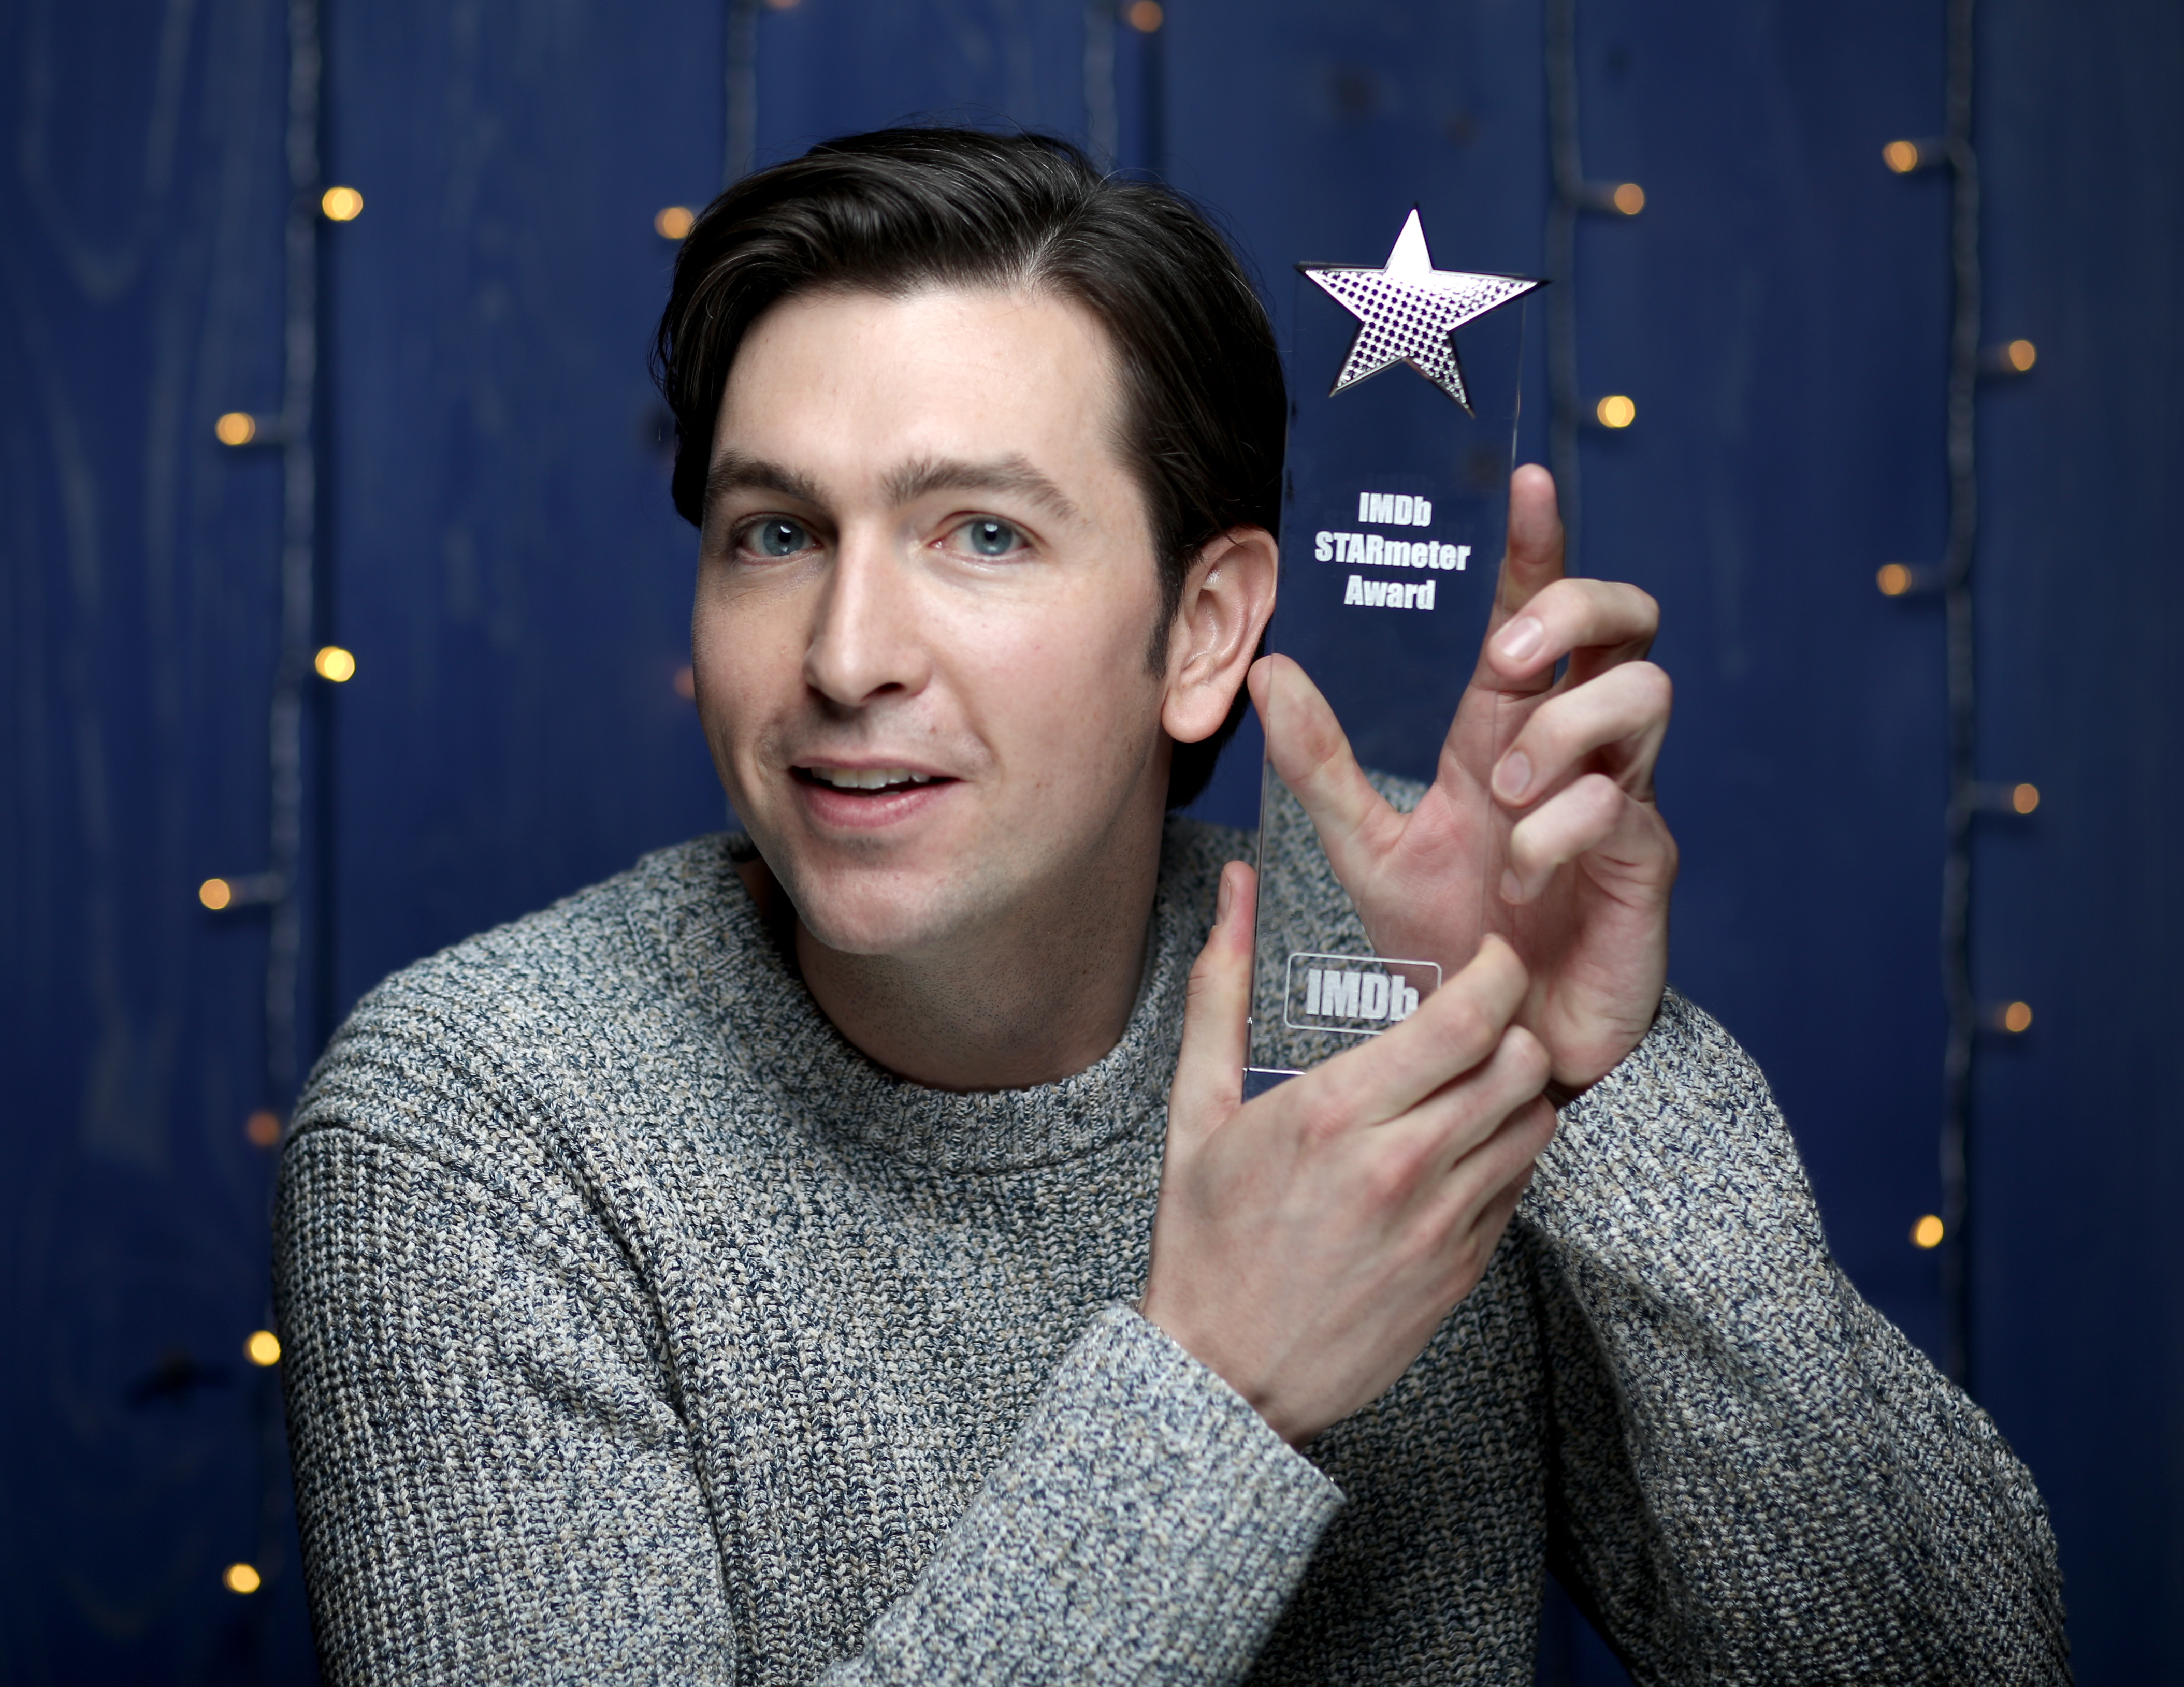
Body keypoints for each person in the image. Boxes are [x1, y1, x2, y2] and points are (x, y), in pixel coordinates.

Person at [273, 129, 2067, 1683]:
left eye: (981, 533)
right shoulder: (477, 1123)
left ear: (1206, 629)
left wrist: (1605, 1078)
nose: (843, 654)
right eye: (776, 533)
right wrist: (1210, 1393)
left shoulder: (1401, 997)